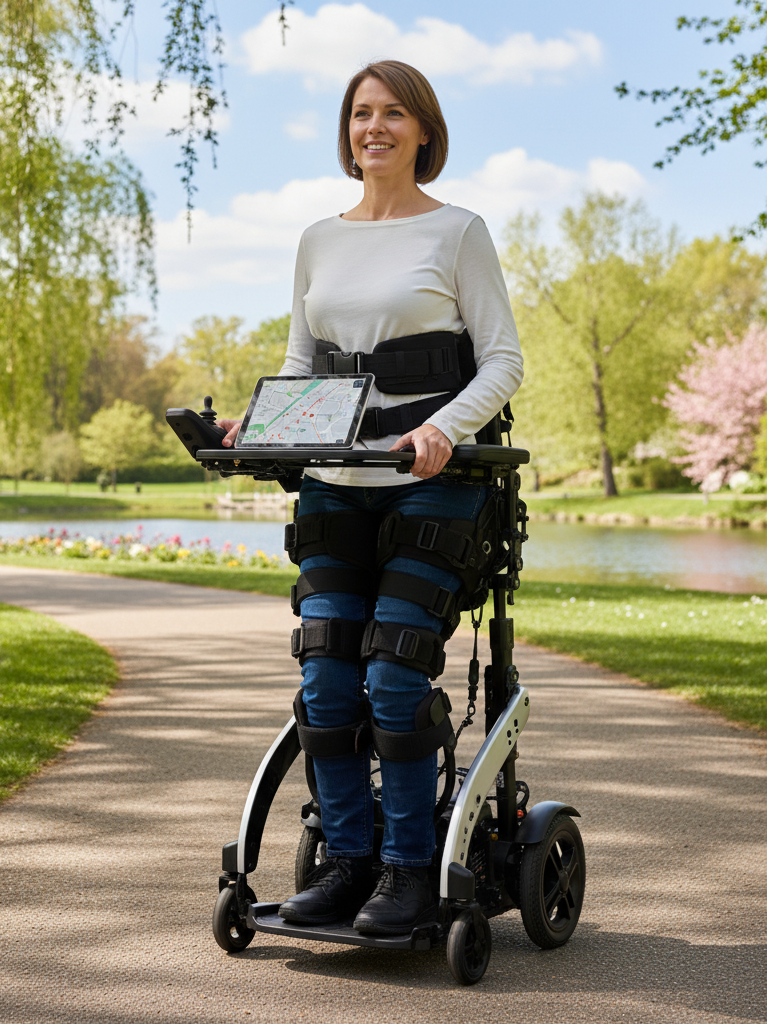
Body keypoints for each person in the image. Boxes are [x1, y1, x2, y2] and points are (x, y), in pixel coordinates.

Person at [219, 60, 523, 935]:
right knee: (325, 679)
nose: (374, 127)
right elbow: (302, 363)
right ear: (346, 131)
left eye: (394, 113)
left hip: (432, 483)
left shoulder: (459, 231)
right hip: (333, 484)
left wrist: (441, 430)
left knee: (392, 676)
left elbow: (503, 360)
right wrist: (259, 424)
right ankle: (347, 864)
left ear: (424, 130)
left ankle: (408, 871)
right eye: (361, 113)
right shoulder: (319, 239)